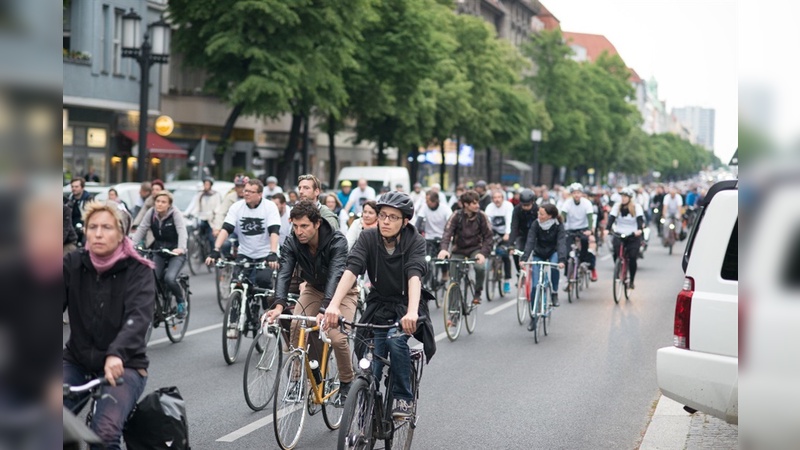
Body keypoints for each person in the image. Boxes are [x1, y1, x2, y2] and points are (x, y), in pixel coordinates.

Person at [323, 192, 436, 419]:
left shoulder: (415, 241)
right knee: (369, 359)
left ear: (405, 221)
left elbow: (414, 276)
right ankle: (366, 406)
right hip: (378, 303)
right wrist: (333, 305)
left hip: (406, 305)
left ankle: (404, 397)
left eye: (393, 217)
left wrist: (412, 312)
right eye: (383, 215)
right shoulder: (368, 237)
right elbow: (351, 269)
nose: (385, 221)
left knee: (395, 341)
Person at [63, 201, 155, 450]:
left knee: (103, 434)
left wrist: (116, 353)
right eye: (92, 227)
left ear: (122, 232)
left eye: (107, 227)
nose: (98, 233)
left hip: (125, 364)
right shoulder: (73, 263)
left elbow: (138, 318)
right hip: (77, 361)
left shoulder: (139, 270)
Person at [264, 200, 358, 403]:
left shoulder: (336, 240)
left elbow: (336, 275)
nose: (299, 231)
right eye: (295, 226)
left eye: (304, 226)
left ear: (317, 224)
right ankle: (297, 380)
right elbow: (284, 273)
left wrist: (325, 309)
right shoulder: (292, 242)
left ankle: (346, 382)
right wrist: (279, 305)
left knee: (337, 337)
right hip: (313, 288)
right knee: (297, 324)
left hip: (343, 293)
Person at [206, 178, 281, 330]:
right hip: (245, 253)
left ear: (260, 194)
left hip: (265, 253)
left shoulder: (269, 207)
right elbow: (226, 228)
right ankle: (234, 320)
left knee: (263, 282)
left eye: (250, 191)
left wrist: (273, 253)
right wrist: (216, 249)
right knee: (237, 284)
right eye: (245, 190)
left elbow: (274, 231)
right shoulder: (237, 207)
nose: (245, 193)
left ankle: (268, 314)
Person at [131, 191, 189, 319]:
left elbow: (182, 232)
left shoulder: (175, 214)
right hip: (159, 251)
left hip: (175, 253)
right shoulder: (151, 213)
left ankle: (180, 302)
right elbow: (142, 229)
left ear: (169, 205)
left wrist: (180, 248)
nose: (160, 204)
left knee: (170, 278)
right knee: (151, 278)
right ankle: (157, 305)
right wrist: (131, 245)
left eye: (163, 202)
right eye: (158, 201)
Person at [438, 190, 493, 304]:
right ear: (466, 204)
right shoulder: (456, 215)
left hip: (475, 249)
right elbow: (447, 233)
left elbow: (488, 237)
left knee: (480, 268)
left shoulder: (482, 216)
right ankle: (453, 312)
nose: (477, 205)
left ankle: (477, 292)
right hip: (459, 250)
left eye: (478, 202)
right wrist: (444, 249)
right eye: (474, 203)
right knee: (454, 279)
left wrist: (482, 253)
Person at [520, 203, 566, 321]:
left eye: (541, 214)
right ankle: (533, 316)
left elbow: (561, 243)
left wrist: (561, 260)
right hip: (539, 253)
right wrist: (524, 259)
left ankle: (554, 292)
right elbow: (530, 241)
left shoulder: (558, 225)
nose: (538, 215)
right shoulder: (536, 224)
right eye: (538, 213)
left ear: (550, 216)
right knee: (535, 286)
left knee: (554, 267)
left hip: (553, 252)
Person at [606, 187, 644, 289]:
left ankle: (631, 280)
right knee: (615, 251)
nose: (623, 198)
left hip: (633, 234)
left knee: (632, 257)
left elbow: (640, 220)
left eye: (625, 196)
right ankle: (618, 267)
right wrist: (607, 229)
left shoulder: (637, 207)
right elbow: (611, 218)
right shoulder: (617, 206)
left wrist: (639, 230)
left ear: (630, 198)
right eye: (622, 196)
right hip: (619, 232)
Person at [560, 183, 597, 282]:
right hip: (570, 228)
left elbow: (590, 218)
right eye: (574, 193)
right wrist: (560, 226)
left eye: (578, 193)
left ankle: (582, 261)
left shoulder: (586, 203)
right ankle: (568, 276)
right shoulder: (567, 203)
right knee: (567, 252)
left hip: (583, 228)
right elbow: (562, 216)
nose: (576, 195)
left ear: (581, 194)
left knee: (584, 241)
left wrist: (589, 230)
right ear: (571, 194)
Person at [415, 190, 452, 284]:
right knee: (426, 258)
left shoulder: (445, 209)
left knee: (442, 257)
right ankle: (426, 277)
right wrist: (414, 233)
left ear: (435, 201)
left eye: (428, 201)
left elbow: (450, 224)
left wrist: (450, 235)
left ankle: (444, 272)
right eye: (426, 200)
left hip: (442, 237)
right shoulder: (424, 207)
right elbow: (418, 221)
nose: (426, 203)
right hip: (429, 237)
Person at [484, 189, 514, 293]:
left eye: (499, 197)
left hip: (506, 233)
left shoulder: (508, 206)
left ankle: (507, 280)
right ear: (492, 199)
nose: (497, 200)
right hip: (494, 233)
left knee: (505, 255)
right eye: (495, 198)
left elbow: (509, 220)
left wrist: (507, 233)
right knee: (490, 250)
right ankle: (493, 266)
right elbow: (487, 222)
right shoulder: (489, 207)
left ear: (502, 198)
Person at [211, 174, 247, 257]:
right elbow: (221, 213)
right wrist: (217, 228)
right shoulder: (230, 197)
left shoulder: (250, 197)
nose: (241, 189)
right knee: (225, 244)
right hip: (233, 228)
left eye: (243, 186)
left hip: (247, 229)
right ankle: (228, 262)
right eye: (238, 187)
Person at [185, 177, 221, 250]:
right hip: (201, 218)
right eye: (205, 184)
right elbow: (195, 206)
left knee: (211, 238)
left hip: (211, 220)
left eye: (208, 184)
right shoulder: (200, 194)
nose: (206, 186)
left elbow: (218, 208)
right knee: (197, 235)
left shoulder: (216, 195)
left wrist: (213, 213)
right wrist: (189, 213)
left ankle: (213, 253)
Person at [508, 189, 537, 273]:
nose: (526, 208)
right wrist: (511, 244)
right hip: (522, 234)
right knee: (516, 253)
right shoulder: (517, 209)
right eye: (523, 205)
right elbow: (514, 226)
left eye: (528, 205)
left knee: (536, 254)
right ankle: (520, 272)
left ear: (532, 202)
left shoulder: (537, 209)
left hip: (535, 235)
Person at [67, 177, 94, 244]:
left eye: (76, 187)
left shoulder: (89, 199)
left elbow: (91, 216)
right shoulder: (70, 199)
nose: (74, 189)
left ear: (82, 187)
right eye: (72, 187)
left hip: (84, 229)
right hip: (72, 230)